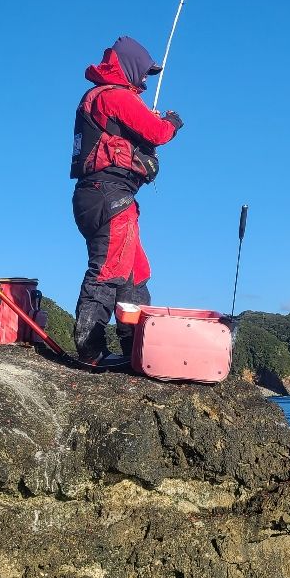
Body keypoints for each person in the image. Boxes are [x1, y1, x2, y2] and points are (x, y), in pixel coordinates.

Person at [70, 35, 183, 362]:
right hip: (109, 195)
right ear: (130, 67)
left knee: (135, 273)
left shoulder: (102, 97)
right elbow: (158, 132)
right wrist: (172, 121)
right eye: (144, 71)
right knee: (109, 271)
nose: (146, 78)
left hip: (100, 196)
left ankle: (135, 348)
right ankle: (90, 350)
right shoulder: (114, 96)